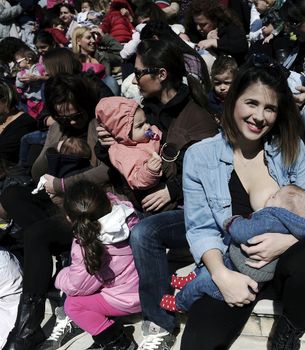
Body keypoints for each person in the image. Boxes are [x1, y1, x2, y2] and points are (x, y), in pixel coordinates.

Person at [179, 59, 305, 350]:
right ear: (231, 101)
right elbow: (201, 228)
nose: (259, 116)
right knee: (196, 344)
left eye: (269, 108)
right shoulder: (199, 157)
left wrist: (287, 240)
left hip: (286, 263)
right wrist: (222, 276)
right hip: (234, 266)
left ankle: (287, 336)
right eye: (251, 103)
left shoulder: (289, 147)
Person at [98, 38, 218, 350]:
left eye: (138, 73)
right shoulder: (141, 110)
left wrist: (171, 190)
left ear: (161, 74)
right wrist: (106, 142)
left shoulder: (197, 117)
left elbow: (212, 173)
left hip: (190, 210)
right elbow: (123, 160)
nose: (133, 78)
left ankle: (161, 323)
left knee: (144, 235)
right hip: (145, 204)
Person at [1, 74, 111, 350]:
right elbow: (38, 171)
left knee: (36, 234)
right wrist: (55, 147)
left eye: (76, 116)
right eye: (64, 117)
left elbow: (108, 171)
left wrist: (63, 183)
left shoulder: (99, 124)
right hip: (57, 204)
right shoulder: (58, 128)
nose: (72, 122)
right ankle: (63, 253)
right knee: (11, 193)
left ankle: (27, 326)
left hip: (89, 207)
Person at [160, 184, 305, 312]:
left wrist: (232, 221)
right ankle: (190, 278)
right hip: (242, 266)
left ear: (280, 206)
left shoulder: (272, 216)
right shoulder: (296, 223)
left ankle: (180, 303)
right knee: (212, 261)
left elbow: (242, 232)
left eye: (275, 195)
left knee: (204, 282)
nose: (271, 196)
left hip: (242, 276)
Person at [53, 180, 140, 350]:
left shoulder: (87, 244)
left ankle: (117, 343)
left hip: (129, 298)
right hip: (145, 284)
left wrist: (60, 276)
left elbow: (78, 287)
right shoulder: (126, 213)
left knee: (72, 305)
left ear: (69, 218)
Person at [96, 96, 163, 190]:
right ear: (123, 133)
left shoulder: (148, 134)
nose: (147, 126)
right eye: (140, 126)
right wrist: (149, 171)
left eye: (146, 121)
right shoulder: (123, 154)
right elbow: (135, 179)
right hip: (151, 190)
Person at [184, 0, 248, 65]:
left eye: (203, 25)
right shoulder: (193, 29)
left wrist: (214, 42)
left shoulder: (229, 25)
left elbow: (241, 46)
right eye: (196, 24)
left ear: (214, 20)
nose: (198, 28)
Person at [14, 47, 45, 118]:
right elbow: (19, 87)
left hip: (42, 99)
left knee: (44, 115)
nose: (17, 64)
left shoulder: (40, 67)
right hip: (30, 101)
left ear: (28, 60)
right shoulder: (21, 73)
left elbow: (47, 77)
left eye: (18, 62)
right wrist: (20, 80)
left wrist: (36, 77)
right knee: (33, 118)